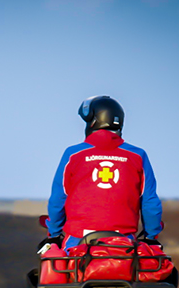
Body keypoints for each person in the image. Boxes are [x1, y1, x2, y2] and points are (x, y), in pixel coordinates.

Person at [43, 96, 163, 251]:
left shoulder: (73, 154)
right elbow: (150, 203)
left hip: (77, 242)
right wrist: (151, 236)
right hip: (125, 245)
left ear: (93, 122)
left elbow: (58, 199)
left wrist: (53, 234)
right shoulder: (138, 156)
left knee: (56, 269)